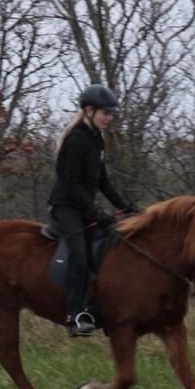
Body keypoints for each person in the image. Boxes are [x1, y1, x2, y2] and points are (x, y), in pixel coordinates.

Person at [48, 84, 139, 337]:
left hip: (84, 208)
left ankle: (98, 308)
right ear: (89, 110)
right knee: (79, 254)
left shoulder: (97, 139)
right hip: (66, 208)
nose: (109, 118)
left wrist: (124, 206)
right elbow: (70, 184)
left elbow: (102, 180)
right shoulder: (76, 139)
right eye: (105, 113)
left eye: (111, 114)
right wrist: (95, 211)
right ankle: (75, 315)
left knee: (111, 247)